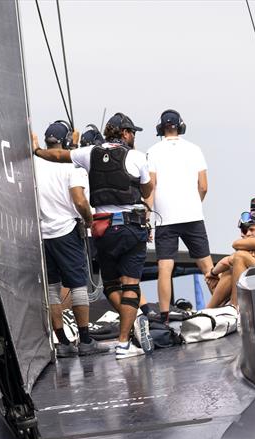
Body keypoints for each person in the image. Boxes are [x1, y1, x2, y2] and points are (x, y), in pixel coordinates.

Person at [33, 112, 154, 360]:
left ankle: (128, 326)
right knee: (130, 285)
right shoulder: (138, 157)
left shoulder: (88, 154)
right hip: (130, 228)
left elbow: (57, 155)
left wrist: (36, 151)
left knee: (109, 285)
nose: (133, 136)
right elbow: (147, 188)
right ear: (124, 133)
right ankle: (124, 340)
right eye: (132, 132)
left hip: (103, 230)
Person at [35, 120, 105, 357]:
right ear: (66, 142)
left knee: (53, 289)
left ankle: (63, 342)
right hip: (67, 231)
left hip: (42, 235)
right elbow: (79, 199)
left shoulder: (33, 165)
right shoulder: (72, 166)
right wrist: (87, 219)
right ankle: (85, 341)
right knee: (78, 286)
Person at [146, 109, 213, 322]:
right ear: (181, 126)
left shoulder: (153, 151)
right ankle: (223, 307)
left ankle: (164, 315)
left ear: (160, 128)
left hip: (165, 217)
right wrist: (193, 203)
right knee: (207, 266)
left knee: (165, 267)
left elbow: (151, 187)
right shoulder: (195, 150)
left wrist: (148, 218)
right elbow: (203, 186)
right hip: (193, 214)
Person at [205, 211, 255, 308]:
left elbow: (227, 261)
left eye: (252, 229)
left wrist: (212, 274)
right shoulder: (249, 249)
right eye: (244, 231)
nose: (248, 233)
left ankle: (215, 308)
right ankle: (213, 310)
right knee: (229, 270)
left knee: (231, 267)